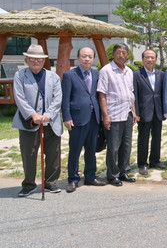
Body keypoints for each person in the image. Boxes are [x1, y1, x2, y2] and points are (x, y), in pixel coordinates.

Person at [13, 44, 63, 197]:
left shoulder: (53, 76)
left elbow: (57, 97)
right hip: (29, 121)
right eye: (32, 59)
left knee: (53, 153)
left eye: (39, 59)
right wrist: (32, 114)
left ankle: (51, 182)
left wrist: (48, 113)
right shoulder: (20, 75)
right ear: (27, 60)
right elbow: (19, 98)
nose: (36, 61)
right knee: (29, 153)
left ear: (44, 61)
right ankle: (28, 184)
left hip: (51, 121)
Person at [62, 47, 105, 193]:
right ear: (78, 58)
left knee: (91, 149)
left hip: (94, 118)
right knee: (75, 150)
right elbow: (65, 98)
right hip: (77, 119)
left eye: (90, 56)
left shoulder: (96, 74)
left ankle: (90, 176)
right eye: (84, 56)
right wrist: (66, 117)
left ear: (93, 59)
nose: (87, 59)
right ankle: (73, 179)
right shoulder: (69, 75)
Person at [98, 43, 137, 186]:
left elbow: (130, 93)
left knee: (126, 146)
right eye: (118, 52)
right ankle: (112, 175)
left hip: (127, 113)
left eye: (124, 52)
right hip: (113, 114)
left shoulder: (129, 71)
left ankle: (123, 171)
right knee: (113, 147)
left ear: (127, 55)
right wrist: (105, 115)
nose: (121, 55)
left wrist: (134, 112)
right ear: (113, 54)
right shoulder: (106, 70)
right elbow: (102, 94)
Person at [133, 49, 166, 175]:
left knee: (157, 138)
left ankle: (155, 160)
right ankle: (142, 163)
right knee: (143, 139)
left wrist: (164, 111)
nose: (150, 60)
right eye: (147, 57)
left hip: (158, 111)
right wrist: (136, 113)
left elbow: (162, 94)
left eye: (152, 57)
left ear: (156, 60)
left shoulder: (160, 74)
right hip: (143, 112)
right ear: (143, 59)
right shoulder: (136, 74)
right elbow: (134, 94)